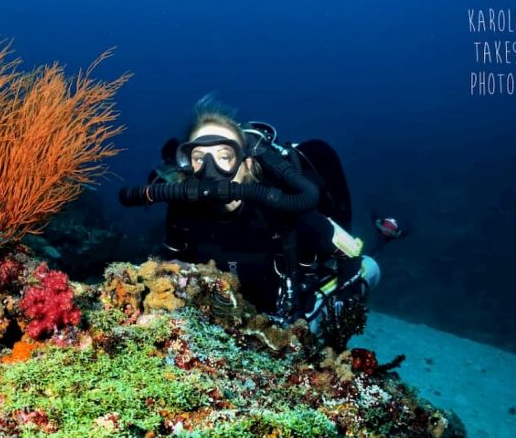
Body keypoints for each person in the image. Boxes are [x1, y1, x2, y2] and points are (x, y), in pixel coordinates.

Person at [119, 96, 379, 338]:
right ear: (187, 166)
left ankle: (384, 237)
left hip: (288, 318)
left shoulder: (282, 204)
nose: (212, 171)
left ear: (246, 165)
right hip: (226, 318)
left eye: (224, 157)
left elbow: (352, 260)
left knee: (371, 267)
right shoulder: (182, 210)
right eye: (199, 158)